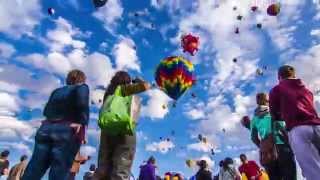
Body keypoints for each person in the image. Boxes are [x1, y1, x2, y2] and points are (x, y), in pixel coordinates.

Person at [22, 69, 90, 180]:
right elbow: (82, 104)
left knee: (35, 168)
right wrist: (82, 122)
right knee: (59, 171)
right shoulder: (82, 87)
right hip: (67, 130)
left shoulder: (56, 91)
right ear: (82, 79)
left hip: (45, 128)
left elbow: (46, 111)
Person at [93, 71, 150, 180]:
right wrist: (137, 80)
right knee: (122, 167)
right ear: (126, 81)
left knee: (103, 167)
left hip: (107, 130)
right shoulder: (125, 89)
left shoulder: (109, 92)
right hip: (124, 128)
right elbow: (145, 86)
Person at [269, 65, 320, 180]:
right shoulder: (307, 91)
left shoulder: (276, 90)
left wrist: (282, 116)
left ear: (279, 77)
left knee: (312, 170)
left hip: (298, 129)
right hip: (317, 125)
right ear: (294, 75)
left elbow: (274, 114)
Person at [251, 92, 297, 180]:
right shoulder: (274, 112)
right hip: (282, 146)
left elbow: (253, 138)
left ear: (257, 102)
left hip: (267, 153)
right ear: (267, 101)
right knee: (290, 176)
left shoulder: (254, 119)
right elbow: (283, 127)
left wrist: (263, 146)